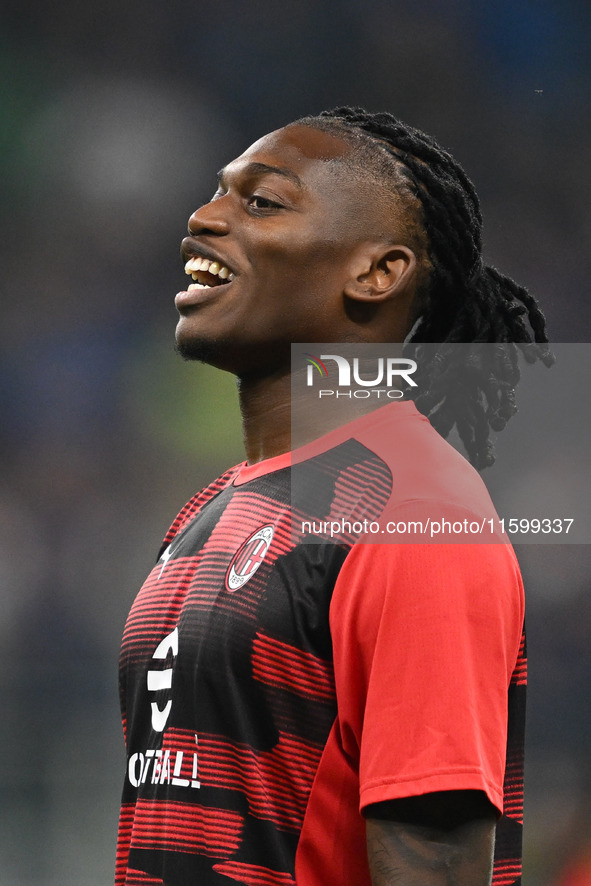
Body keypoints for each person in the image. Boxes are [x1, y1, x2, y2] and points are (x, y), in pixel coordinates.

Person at [115, 107, 551, 886]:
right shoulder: (210, 510)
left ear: (376, 272)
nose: (203, 218)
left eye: (261, 203)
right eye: (217, 193)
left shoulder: (418, 515)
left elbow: (435, 863)